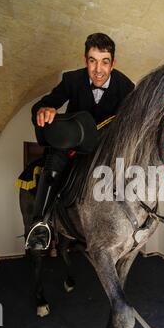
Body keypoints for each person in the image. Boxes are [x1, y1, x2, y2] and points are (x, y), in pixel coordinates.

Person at [25, 33, 135, 251]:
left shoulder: (126, 87)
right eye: (92, 61)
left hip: (107, 147)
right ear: (86, 60)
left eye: (104, 62)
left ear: (113, 63)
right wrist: (44, 109)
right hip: (73, 144)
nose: (98, 70)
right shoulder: (71, 80)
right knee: (54, 161)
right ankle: (40, 225)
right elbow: (43, 105)